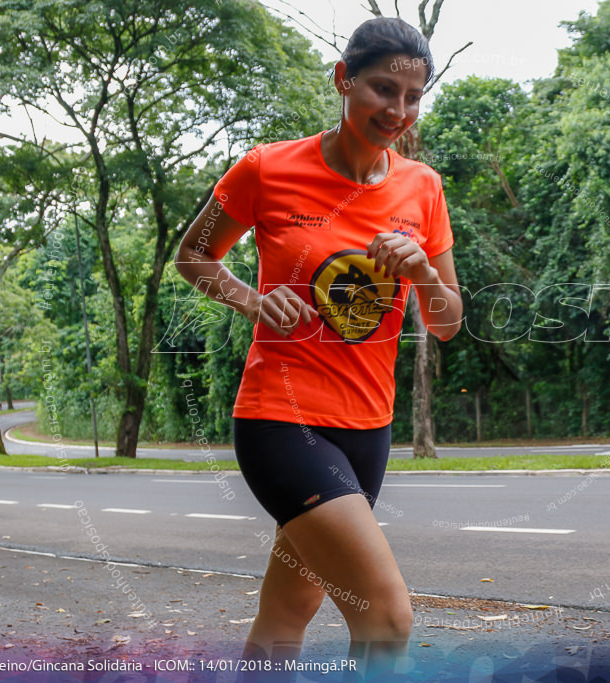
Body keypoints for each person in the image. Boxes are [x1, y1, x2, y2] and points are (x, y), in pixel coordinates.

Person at [174, 16, 462, 681]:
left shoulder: (424, 188)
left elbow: (447, 321)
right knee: (386, 618)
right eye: (381, 89)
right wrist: (251, 298)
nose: (397, 110)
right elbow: (193, 254)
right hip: (283, 420)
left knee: (287, 612)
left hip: (369, 428)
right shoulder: (267, 169)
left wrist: (422, 271)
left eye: (412, 96)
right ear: (343, 80)